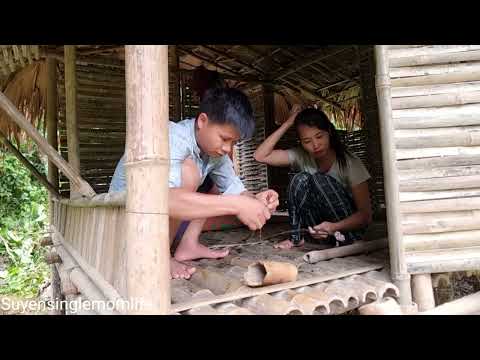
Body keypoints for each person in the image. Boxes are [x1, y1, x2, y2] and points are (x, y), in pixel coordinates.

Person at [109, 87, 279, 279]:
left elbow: (235, 190)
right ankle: (160, 256)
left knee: (216, 185)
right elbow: (162, 199)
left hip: (153, 222)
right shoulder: (172, 137)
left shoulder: (216, 154)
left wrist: (256, 200)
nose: (227, 148)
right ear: (202, 121)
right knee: (190, 172)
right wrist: (237, 204)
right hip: (124, 221)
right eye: (224, 139)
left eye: (233, 143)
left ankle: (188, 245)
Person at [254, 105, 372, 250]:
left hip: (347, 230)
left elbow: (365, 215)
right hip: (318, 231)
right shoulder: (301, 156)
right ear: (301, 143)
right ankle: (296, 238)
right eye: (307, 141)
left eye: (319, 136)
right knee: (299, 179)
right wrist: (288, 123)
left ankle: (346, 239)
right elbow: (260, 156)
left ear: (329, 132)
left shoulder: (349, 162)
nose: (315, 145)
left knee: (318, 179)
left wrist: (334, 227)